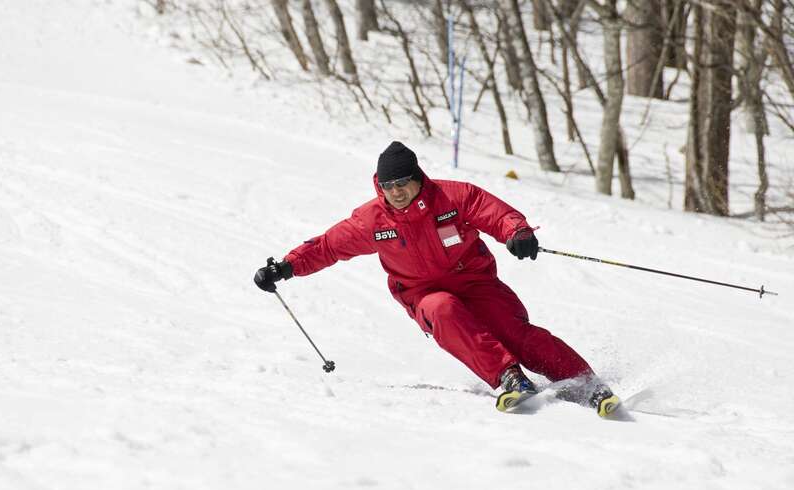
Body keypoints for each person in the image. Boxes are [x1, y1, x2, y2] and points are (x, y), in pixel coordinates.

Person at [254, 141, 620, 416]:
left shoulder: (452, 197)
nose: (395, 191)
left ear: (417, 179)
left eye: (401, 183)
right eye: (387, 185)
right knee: (443, 310)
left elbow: (495, 213)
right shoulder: (373, 220)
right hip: (422, 293)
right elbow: (328, 246)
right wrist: (286, 267)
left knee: (514, 332)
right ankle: (508, 377)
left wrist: (517, 232)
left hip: (476, 284)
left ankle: (587, 383)